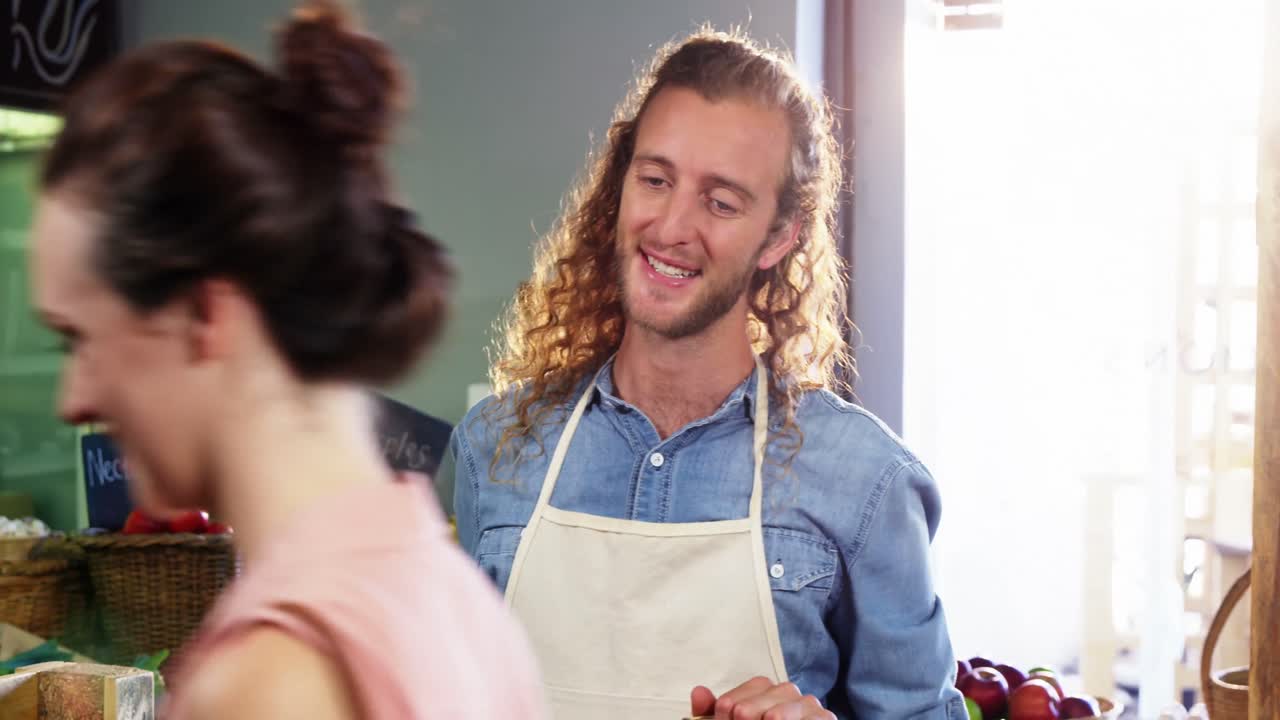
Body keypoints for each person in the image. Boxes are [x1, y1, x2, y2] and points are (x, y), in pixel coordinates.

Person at [28, 3, 544, 718]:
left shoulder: (274, 679)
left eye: (79, 337)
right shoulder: (453, 598)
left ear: (204, 313)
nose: (71, 398)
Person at [448, 28, 966, 720]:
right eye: (655, 180)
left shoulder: (866, 484)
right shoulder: (494, 450)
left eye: (721, 202)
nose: (671, 227)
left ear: (779, 237)